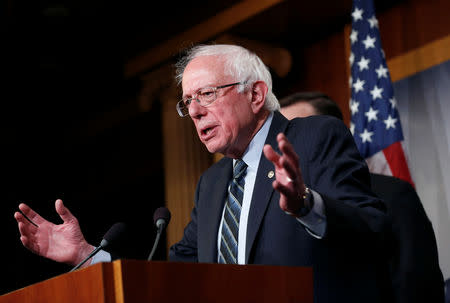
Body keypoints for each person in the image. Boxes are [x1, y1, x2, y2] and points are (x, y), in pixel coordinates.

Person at [15, 44, 393, 303]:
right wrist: (88, 256)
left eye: (207, 94)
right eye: (187, 101)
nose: (194, 112)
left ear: (256, 95)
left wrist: (307, 204)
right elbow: (174, 277)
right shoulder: (212, 185)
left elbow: (374, 229)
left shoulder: (314, 136)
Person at [279, 91, 445, 303]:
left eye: (300, 133)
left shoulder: (392, 194)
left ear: (329, 134)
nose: (286, 146)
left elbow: (417, 284)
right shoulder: (281, 205)